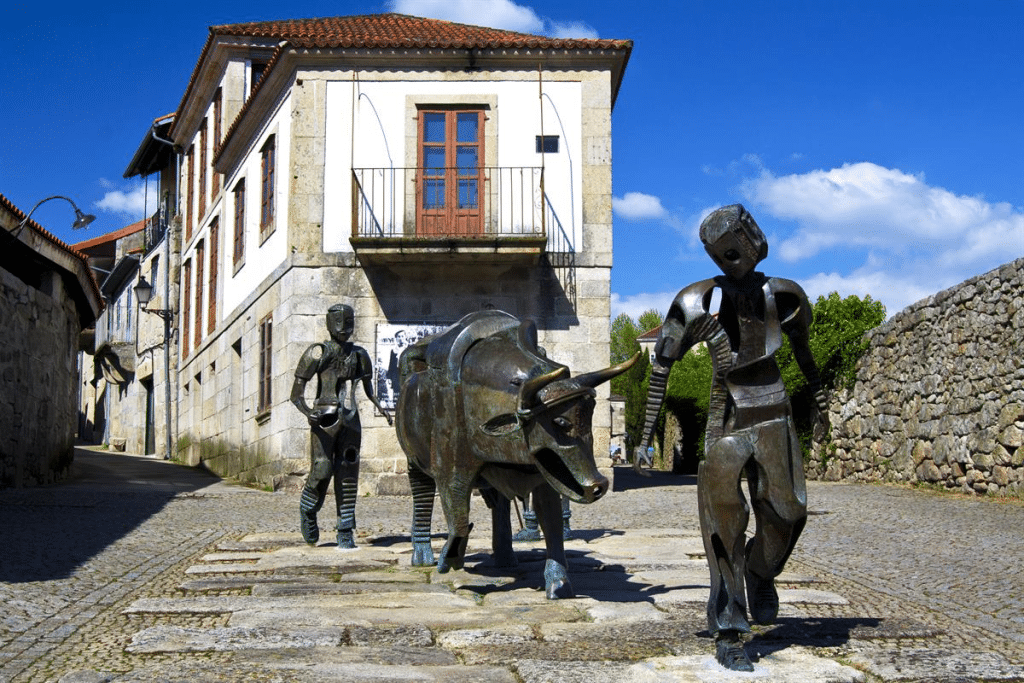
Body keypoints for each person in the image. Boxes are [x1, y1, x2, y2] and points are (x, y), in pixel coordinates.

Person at [634, 205, 828, 671]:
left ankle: (760, 572)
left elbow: (804, 355)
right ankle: (729, 629)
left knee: (789, 514)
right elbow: (661, 367)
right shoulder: (695, 301)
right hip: (724, 422)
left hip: (774, 412)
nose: (737, 254)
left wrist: (820, 404)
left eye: (741, 241)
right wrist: (645, 436)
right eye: (725, 250)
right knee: (724, 526)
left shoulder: (787, 296)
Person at [291, 304, 392, 548]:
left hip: (351, 419)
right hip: (324, 418)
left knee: (348, 474)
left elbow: (368, 389)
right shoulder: (318, 352)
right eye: (339, 322)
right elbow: (296, 394)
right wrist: (308, 412)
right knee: (322, 469)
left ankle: (345, 529)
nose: (344, 328)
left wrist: (380, 407)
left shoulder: (360, 355)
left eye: (348, 323)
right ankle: (308, 508)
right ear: (330, 324)